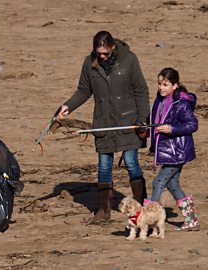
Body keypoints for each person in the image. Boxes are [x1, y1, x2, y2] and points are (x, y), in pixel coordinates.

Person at [57, 31, 150, 224]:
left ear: (113, 47)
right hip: (104, 123)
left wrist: (143, 118)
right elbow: (84, 90)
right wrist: (67, 106)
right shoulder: (89, 63)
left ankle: (141, 205)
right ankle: (104, 210)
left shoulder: (130, 60)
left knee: (132, 163)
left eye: (105, 53)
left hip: (129, 121)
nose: (102, 56)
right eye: (98, 53)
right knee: (104, 166)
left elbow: (141, 90)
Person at [145, 67, 200, 231]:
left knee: (158, 182)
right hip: (166, 150)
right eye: (160, 84)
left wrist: (171, 129)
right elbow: (154, 119)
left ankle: (149, 218)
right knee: (173, 184)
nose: (162, 88)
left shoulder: (181, 104)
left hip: (178, 151)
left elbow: (192, 125)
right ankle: (192, 220)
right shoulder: (159, 100)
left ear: (175, 86)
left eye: (166, 84)